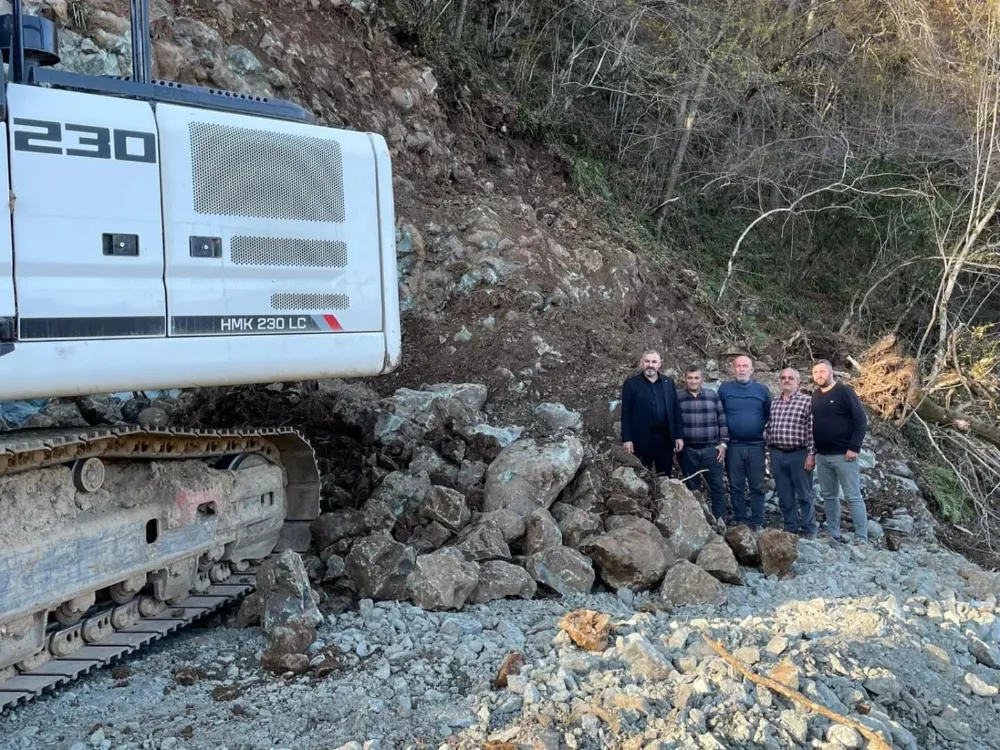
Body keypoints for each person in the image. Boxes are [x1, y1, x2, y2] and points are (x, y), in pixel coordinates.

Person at [811, 359, 869, 542]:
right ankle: (833, 533)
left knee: (852, 496)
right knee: (829, 496)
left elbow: (860, 420)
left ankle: (861, 536)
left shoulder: (844, 391)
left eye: (822, 371)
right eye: (815, 373)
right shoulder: (815, 396)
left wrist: (854, 447)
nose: (819, 375)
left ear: (831, 372)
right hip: (822, 455)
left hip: (844, 455)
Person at [717, 355, 770, 530]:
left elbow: (768, 414)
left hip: (756, 445)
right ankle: (740, 519)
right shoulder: (724, 389)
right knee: (736, 484)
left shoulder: (762, 390)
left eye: (745, 366)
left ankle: (757, 521)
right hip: (733, 445)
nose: (741, 369)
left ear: (752, 369)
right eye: (738, 366)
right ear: (733, 369)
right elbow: (718, 415)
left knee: (757, 484)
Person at [766, 368, 817, 537]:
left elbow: (812, 430)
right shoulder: (774, 402)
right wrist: (769, 453)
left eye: (791, 378)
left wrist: (811, 454)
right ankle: (790, 527)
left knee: (804, 494)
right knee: (784, 494)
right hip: (777, 454)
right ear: (779, 382)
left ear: (798, 382)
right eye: (783, 378)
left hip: (799, 454)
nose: (786, 380)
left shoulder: (807, 402)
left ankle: (809, 529)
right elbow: (769, 427)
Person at [677, 365, 729, 524]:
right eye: (690, 378)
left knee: (717, 488)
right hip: (687, 451)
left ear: (702, 379)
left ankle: (720, 522)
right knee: (692, 488)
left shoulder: (712, 396)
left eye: (696, 378)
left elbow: (722, 421)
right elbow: (672, 423)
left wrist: (723, 444)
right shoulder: (677, 397)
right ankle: (697, 523)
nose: (693, 381)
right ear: (685, 379)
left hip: (711, 450)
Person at [620, 349, 684, 476]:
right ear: (641, 363)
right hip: (641, 440)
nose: (650, 365)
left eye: (654, 361)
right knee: (643, 475)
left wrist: (679, 436)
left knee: (665, 476)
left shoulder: (668, 383)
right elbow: (625, 413)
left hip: (665, 440)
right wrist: (627, 439)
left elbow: (675, 410)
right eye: (647, 361)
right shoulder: (631, 384)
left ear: (659, 364)